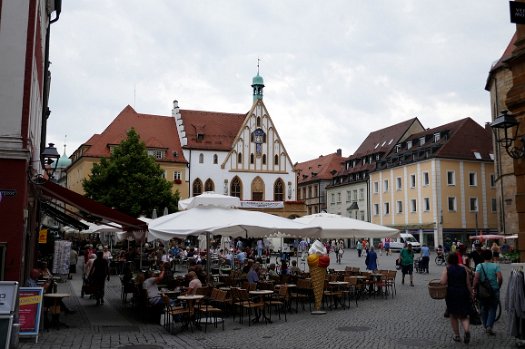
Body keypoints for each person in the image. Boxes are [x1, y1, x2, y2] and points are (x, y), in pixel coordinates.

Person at [439, 252, 472, 344]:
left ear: (448, 260)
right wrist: (471, 294)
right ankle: (466, 330)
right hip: (463, 292)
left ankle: (457, 335)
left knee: (453, 314)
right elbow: (468, 283)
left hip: (452, 293)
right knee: (464, 315)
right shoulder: (463, 269)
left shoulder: (447, 269)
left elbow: (443, 282)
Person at [473, 249, 502, 336]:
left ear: (483, 257)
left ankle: (486, 326)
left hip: (483, 291)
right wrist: (498, 286)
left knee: (484, 308)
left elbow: (476, 278)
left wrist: (474, 288)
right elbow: (500, 278)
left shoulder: (479, 266)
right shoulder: (495, 266)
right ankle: (489, 326)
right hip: (494, 290)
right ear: (491, 257)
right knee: (493, 308)